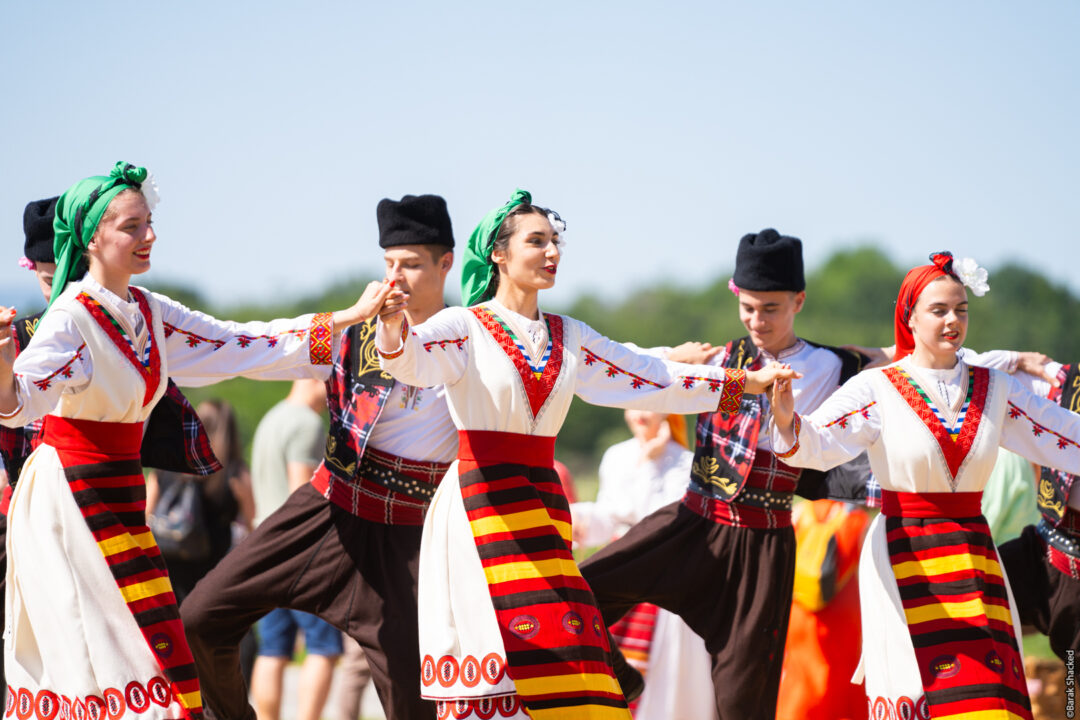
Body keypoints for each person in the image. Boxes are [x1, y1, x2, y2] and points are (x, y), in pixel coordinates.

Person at [374, 190, 796, 719]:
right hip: (480, 507)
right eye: (537, 241)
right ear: (499, 254)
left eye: (556, 241)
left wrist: (744, 383)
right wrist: (390, 324)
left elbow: (650, 377)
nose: (552, 251)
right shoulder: (465, 327)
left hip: (541, 506)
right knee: (498, 655)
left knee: (568, 653)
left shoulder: (568, 336)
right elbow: (408, 359)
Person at [0, 162, 395, 720]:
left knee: (151, 651)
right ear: (91, 239)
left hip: (119, 493)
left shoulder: (149, 311)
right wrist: (3, 366)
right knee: (102, 658)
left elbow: (239, 343)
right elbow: (20, 403)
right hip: (68, 501)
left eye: (149, 222)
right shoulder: (71, 317)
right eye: (132, 226)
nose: (149, 235)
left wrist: (348, 319)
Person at [181, 193, 458, 720]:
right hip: (327, 511)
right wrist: (345, 318)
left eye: (411, 264)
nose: (395, 278)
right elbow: (258, 353)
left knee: (415, 703)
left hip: (408, 535)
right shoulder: (350, 335)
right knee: (201, 616)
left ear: (445, 264)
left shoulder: (467, 343)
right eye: (389, 264)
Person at [577, 228, 871, 720]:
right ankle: (622, 680)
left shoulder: (831, 366)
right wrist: (670, 359)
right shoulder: (719, 362)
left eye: (771, 308)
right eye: (748, 307)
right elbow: (632, 367)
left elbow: (916, 361)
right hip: (693, 525)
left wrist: (998, 361)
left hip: (764, 545)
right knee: (581, 591)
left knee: (743, 703)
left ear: (798, 301)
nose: (757, 320)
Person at [771, 251, 1080, 719]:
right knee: (921, 693)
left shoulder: (996, 388)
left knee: (988, 696)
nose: (953, 320)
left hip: (974, 555)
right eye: (939, 310)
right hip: (905, 553)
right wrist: (786, 420)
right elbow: (816, 443)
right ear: (909, 317)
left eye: (961, 309)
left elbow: (1063, 434)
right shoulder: (878, 387)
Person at [0, 195, 223, 694]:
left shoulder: (115, 320)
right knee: (45, 655)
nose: (56, 282)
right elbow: (12, 410)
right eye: (47, 274)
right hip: (35, 502)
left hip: (109, 496)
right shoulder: (34, 330)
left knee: (123, 651)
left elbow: (165, 405)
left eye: (65, 270)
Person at [571, 410, 716, 720]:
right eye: (634, 404)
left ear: (667, 409)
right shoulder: (616, 455)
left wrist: (649, 463)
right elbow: (611, 515)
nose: (640, 414)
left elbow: (657, 523)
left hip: (663, 578)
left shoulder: (686, 463)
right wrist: (578, 518)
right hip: (621, 571)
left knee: (666, 685)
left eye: (651, 405)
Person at [246, 379, 342, 720]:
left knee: (273, 648)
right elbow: (302, 495)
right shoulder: (306, 423)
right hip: (298, 551)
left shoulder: (271, 418)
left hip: (264, 546)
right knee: (324, 647)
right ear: (315, 378)